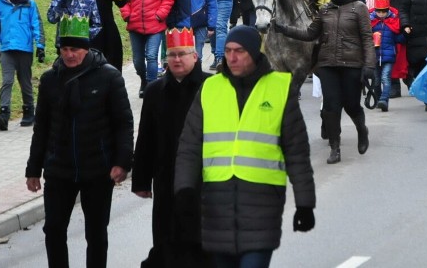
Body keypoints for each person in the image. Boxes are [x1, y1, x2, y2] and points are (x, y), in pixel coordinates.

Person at [174, 26, 316, 267]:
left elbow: (297, 151)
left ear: (254, 53)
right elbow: (189, 146)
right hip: (216, 203)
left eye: (239, 51)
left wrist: (305, 203)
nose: (232, 57)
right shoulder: (211, 88)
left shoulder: (280, 88)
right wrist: (185, 190)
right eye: (228, 51)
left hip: (262, 202)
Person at [26, 15, 134, 268]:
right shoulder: (50, 80)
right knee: (53, 230)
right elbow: (41, 127)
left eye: (74, 49)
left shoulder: (109, 77)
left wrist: (122, 162)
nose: (69, 55)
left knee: (95, 232)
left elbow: (123, 122)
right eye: (64, 49)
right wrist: (33, 169)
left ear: (86, 49)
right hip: (58, 169)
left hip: (97, 168)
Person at [275, 0, 375, 163]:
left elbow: (367, 38)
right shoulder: (325, 9)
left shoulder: (359, 8)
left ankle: (361, 130)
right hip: (327, 64)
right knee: (331, 106)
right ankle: (335, 148)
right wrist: (284, 29)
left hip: (352, 64)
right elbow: (310, 34)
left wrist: (369, 65)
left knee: (352, 105)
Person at [132, 28, 212, 267]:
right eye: (172, 54)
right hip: (166, 179)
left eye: (183, 54)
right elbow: (146, 137)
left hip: (204, 181)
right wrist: (141, 181)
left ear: (195, 56)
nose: (177, 59)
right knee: (167, 239)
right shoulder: (155, 91)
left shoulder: (213, 87)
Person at [0, 0, 45, 131]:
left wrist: (40, 46)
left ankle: (29, 111)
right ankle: (4, 114)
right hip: (6, 49)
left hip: (25, 49)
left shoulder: (30, 4)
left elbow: (36, 24)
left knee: (25, 81)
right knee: (7, 80)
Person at [121, 0, 174, 97]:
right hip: (135, 24)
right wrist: (127, 14)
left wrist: (160, 15)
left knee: (151, 56)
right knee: (138, 61)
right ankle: (144, 80)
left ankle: (151, 87)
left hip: (155, 25)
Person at [369, 0, 404, 112]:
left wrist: (405, 34)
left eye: (384, 11)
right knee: (376, 80)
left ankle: (384, 100)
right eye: (379, 11)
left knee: (385, 78)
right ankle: (379, 99)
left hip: (389, 56)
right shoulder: (370, 22)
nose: (382, 14)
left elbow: (399, 38)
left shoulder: (393, 22)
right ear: (375, 10)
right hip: (374, 56)